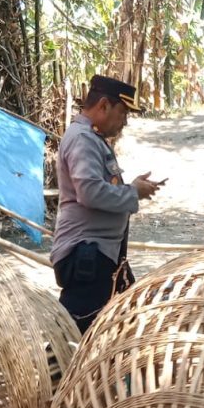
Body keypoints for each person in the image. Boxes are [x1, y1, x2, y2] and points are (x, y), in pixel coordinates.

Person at [51, 75, 160, 333]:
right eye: (122, 113)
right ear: (103, 106)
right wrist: (133, 192)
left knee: (115, 329)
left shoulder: (91, 138)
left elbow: (99, 187)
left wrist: (130, 187)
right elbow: (89, 192)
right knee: (74, 336)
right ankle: (52, 374)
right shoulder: (83, 139)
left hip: (100, 255)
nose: (124, 121)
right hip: (87, 256)